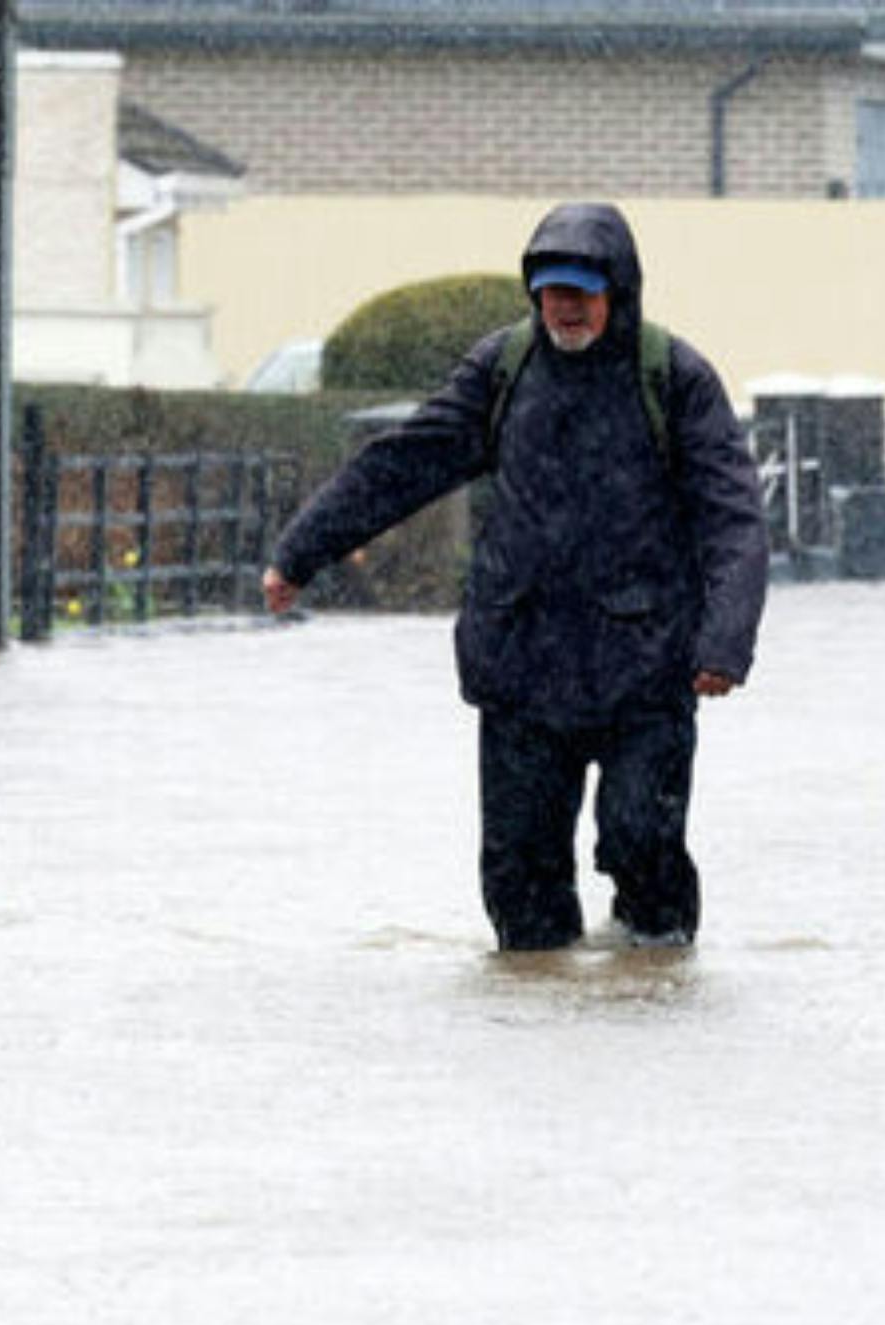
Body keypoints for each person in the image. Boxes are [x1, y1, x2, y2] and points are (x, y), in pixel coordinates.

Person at [263, 201, 768, 951]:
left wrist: (725, 642)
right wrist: (301, 551)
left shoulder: (674, 377)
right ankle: (537, 992)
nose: (566, 308)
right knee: (519, 876)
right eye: (552, 292)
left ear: (618, 291)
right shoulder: (502, 367)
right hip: (522, 661)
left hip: (644, 665)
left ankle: (653, 982)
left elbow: (733, 517)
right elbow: (407, 462)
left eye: (582, 294)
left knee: (642, 842)